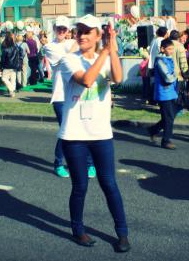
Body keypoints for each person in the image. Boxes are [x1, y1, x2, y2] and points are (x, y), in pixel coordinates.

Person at [59, 14, 130, 252]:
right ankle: (78, 230)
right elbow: (87, 80)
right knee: (79, 186)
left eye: (87, 31)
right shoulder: (69, 59)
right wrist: (104, 52)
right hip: (74, 136)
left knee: (109, 183)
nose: (81, 35)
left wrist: (112, 49)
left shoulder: (105, 56)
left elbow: (118, 78)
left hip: (101, 134)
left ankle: (122, 233)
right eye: (79, 31)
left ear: (98, 35)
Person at [44, 16, 95, 178]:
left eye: (64, 29)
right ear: (54, 29)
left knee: (85, 129)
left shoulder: (73, 42)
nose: (61, 31)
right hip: (60, 96)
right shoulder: (49, 47)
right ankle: (58, 163)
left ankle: (89, 164)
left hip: (79, 94)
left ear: (68, 31)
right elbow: (67, 57)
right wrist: (79, 41)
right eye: (59, 28)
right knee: (66, 130)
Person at [148, 39, 178, 149]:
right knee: (169, 117)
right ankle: (166, 140)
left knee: (172, 115)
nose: (171, 51)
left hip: (171, 92)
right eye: (169, 49)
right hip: (163, 93)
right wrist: (176, 75)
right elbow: (168, 77)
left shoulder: (168, 59)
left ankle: (154, 129)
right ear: (162, 49)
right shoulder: (160, 61)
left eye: (172, 48)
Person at [0, 31, 18, 97]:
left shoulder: (5, 49)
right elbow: (18, 56)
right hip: (14, 65)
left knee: (4, 78)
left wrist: (1, 66)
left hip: (7, 66)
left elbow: (3, 59)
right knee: (13, 79)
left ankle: (11, 90)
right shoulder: (15, 47)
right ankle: (12, 92)